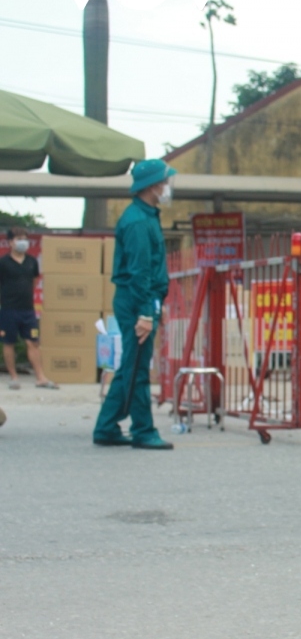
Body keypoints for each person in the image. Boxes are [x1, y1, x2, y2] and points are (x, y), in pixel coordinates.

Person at [92, 159, 176, 449]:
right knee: (138, 367)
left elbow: (149, 271)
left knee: (132, 364)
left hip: (141, 299)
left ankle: (106, 427)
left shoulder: (146, 215)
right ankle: (143, 430)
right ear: (152, 186)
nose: (167, 187)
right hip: (136, 299)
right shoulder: (139, 221)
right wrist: (145, 311)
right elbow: (140, 271)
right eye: (164, 182)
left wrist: (156, 304)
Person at [0, 227, 57, 390]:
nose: (22, 242)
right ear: (10, 242)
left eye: (24, 239)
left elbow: (33, 281)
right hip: (8, 310)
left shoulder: (32, 262)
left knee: (33, 342)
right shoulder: (3, 263)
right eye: (18, 239)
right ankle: (14, 377)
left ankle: (40, 377)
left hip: (28, 310)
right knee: (9, 342)